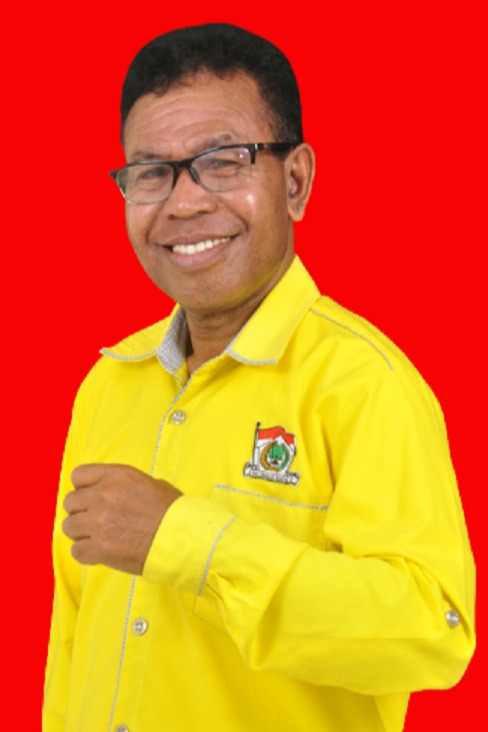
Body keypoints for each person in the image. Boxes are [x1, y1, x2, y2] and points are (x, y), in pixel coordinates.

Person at [43, 23, 475, 732]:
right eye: (151, 172)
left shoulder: (363, 383)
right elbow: (74, 637)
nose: (183, 203)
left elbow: (433, 632)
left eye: (223, 161)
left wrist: (189, 541)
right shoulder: (108, 385)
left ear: (295, 181)